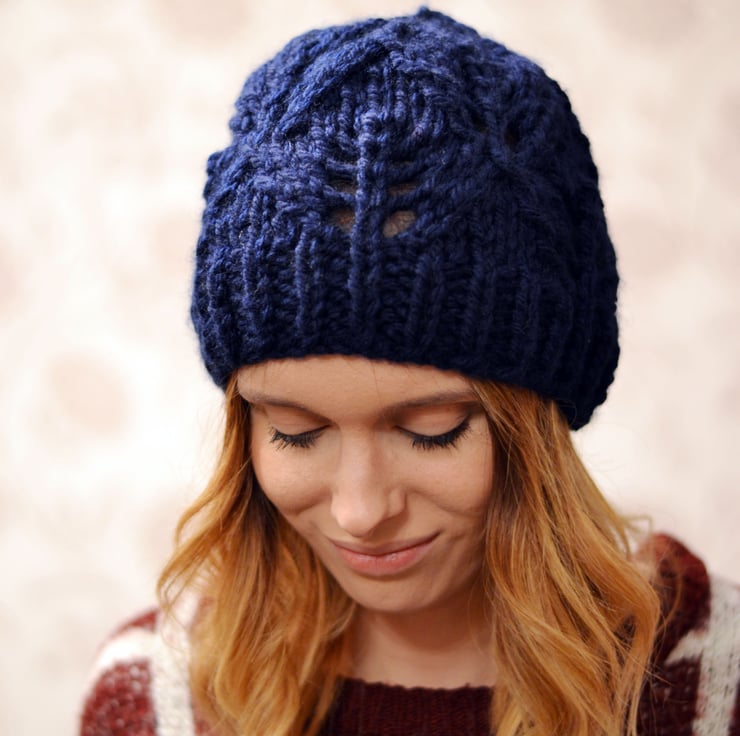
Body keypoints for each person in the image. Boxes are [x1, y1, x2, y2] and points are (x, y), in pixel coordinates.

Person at [78, 9, 740, 736]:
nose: (361, 512)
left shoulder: (708, 687)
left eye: (432, 430)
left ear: (539, 426)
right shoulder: (155, 698)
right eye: (294, 432)